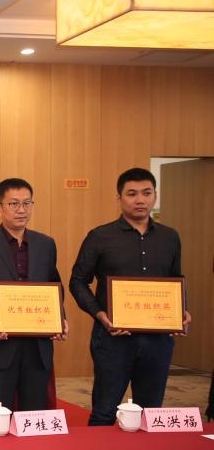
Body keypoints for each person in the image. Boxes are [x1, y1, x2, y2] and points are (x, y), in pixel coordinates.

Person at [69, 167, 191, 426]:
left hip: (158, 339)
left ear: (155, 195)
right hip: (113, 338)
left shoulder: (170, 237)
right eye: (132, 194)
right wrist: (99, 314)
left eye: (147, 193)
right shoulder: (100, 236)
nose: (140, 200)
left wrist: (181, 311)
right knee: (104, 410)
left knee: (151, 413)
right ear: (119, 198)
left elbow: (176, 278)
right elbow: (77, 281)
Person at [0, 178, 67, 426]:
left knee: (33, 418)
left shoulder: (46, 244)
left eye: (27, 203)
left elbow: (54, 286)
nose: (22, 210)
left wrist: (59, 318)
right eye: (14, 204)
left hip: (37, 347)